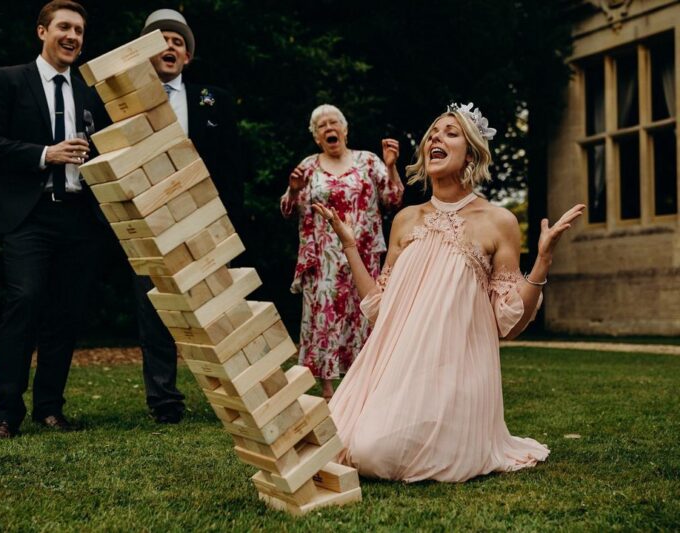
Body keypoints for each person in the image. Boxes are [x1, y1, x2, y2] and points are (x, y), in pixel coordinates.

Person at [314, 103, 585, 481]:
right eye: (433, 134)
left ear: (471, 153)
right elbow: (379, 306)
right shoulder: (406, 219)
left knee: (372, 453)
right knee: (327, 441)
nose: (436, 138)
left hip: (455, 375)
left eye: (450, 133)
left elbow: (509, 322)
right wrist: (348, 246)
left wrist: (542, 262)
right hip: (396, 368)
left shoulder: (499, 222)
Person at [0, 0, 109, 439]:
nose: (73, 37)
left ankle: (50, 408)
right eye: (64, 27)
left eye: (80, 31)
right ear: (42, 32)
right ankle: (5, 414)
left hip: (78, 217)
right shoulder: (9, 80)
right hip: (28, 216)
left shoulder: (90, 90)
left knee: (65, 314)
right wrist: (44, 154)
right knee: (24, 303)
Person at [131, 9, 248, 423]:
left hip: (206, 222)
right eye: (161, 40)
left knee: (218, 312)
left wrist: (227, 224)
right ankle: (164, 402)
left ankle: (231, 398)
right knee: (157, 312)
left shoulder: (213, 99)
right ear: (144, 53)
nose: (170, 46)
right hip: (151, 223)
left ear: (187, 57)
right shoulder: (128, 106)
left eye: (178, 42)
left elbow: (233, 168)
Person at [280, 104, 404, 401]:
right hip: (323, 261)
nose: (328, 127)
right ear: (316, 137)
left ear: (345, 130)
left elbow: (393, 199)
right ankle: (326, 391)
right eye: (321, 126)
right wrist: (294, 189)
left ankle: (366, 385)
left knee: (365, 317)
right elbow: (287, 210)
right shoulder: (308, 167)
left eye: (333, 122)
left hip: (363, 256)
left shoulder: (369, 161)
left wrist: (390, 165)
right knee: (324, 320)